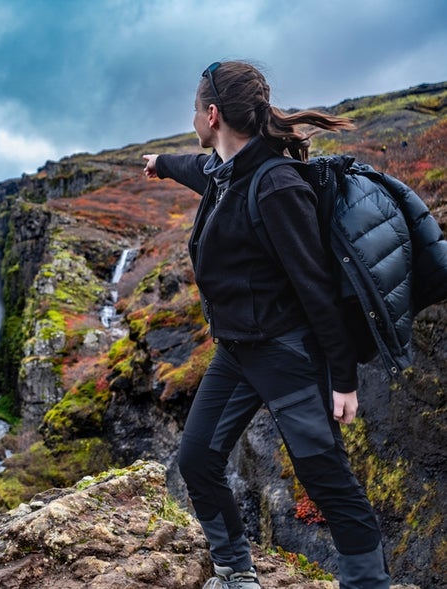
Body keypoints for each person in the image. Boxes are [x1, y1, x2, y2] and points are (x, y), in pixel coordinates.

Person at [142, 61, 391, 589]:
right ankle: (236, 574)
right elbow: (199, 169)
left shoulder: (277, 185)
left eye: (194, 111)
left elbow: (316, 288)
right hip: (237, 352)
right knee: (197, 460)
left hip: (288, 356)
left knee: (327, 482)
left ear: (212, 115)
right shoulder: (224, 169)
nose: (192, 122)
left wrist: (343, 380)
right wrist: (162, 162)